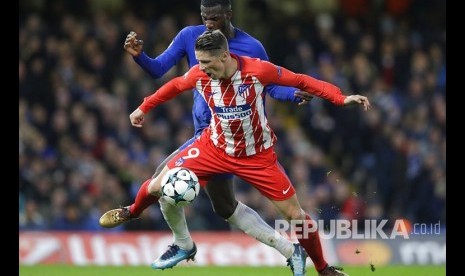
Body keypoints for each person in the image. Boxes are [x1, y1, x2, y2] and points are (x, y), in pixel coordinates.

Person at [131, 30, 369, 276]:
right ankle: (132, 212)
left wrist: (340, 98)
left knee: (295, 214)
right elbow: (174, 86)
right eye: (198, 61)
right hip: (214, 148)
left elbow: (300, 80)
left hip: (257, 156)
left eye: (206, 62)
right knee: (158, 185)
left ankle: (323, 268)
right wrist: (143, 108)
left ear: (224, 56)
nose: (201, 68)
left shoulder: (257, 71)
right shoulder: (199, 75)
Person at [99, 0, 313, 274]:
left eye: (214, 17)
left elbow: (270, 86)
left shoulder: (253, 47)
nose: (209, 23)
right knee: (224, 207)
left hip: (232, 135)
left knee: (164, 179)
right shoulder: (191, 36)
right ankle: (290, 249)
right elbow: (158, 70)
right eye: (204, 17)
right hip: (207, 134)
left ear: (229, 14)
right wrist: (140, 56)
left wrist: (291, 94)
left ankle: (160, 229)